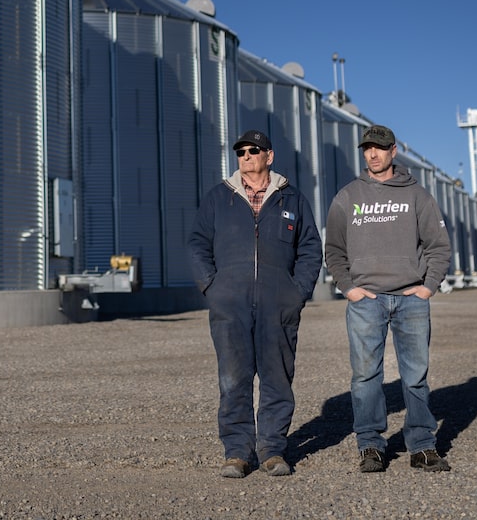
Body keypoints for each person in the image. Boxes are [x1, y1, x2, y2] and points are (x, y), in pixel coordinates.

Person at [187, 130, 324, 478]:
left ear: (269, 156)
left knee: (278, 379)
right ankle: (237, 452)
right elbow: (198, 244)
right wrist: (212, 287)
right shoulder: (220, 198)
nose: (246, 156)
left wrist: (297, 292)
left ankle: (272, 450)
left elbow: (310, 248)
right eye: (241, 152)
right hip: (229, 304)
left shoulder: (291, 198)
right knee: (233, 379)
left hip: (278, 305)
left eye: (253, 150)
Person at [323, 124, 453, 473]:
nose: (372, 154)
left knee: (415, 376)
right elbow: (333, 250)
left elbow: (439, 246)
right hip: (366, 300)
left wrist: (428, 286)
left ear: (393, 151)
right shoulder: (347, 196)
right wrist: (349, 287)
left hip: (411, 299)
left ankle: (422, 446)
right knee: (365, 376)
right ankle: (370, 445)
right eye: (367, 148)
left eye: (379, 148)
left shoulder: (417, 195)